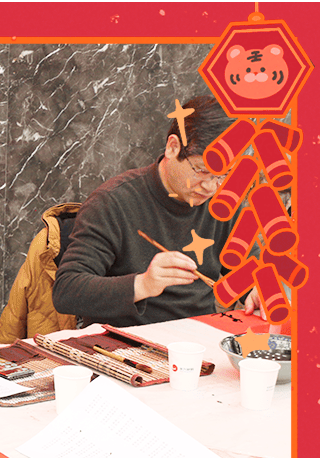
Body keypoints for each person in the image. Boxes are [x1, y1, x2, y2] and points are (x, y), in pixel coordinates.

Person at [52, 95, 262, 327]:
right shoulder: (113, 202)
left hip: (199, 335)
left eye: (224, 175)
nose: (211, 187)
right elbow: (67, 291)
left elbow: (249, 271)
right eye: (202, 171)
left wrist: (256, 289)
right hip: (126, 338)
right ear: (173, 147)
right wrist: (143, 285)